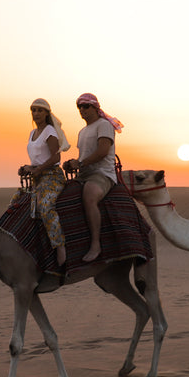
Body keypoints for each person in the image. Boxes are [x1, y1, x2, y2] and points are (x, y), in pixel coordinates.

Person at [63, 93, 123, 262]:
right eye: (79, 107)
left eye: (85, 106)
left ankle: (96, 244)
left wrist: (80, 164)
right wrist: (73, 163)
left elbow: (102, 152)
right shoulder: (82, 131)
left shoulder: (104, 125)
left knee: (89, 196)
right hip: (84, 175)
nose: (82, 110)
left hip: (102, 174)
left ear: (95, 107)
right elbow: (84, 155)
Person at [18, 98, 71, 266]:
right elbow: (37, 159)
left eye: (40, 110)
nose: (36, 113)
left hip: (52, 176)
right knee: (16, 202)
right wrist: (27, 167)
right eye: (33, 110)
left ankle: (59, 246)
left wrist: (39, 169)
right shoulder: (32, 133)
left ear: (47, 113)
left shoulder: (50, 131)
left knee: (46, 206)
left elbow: (56, 156)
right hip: (37, 177)